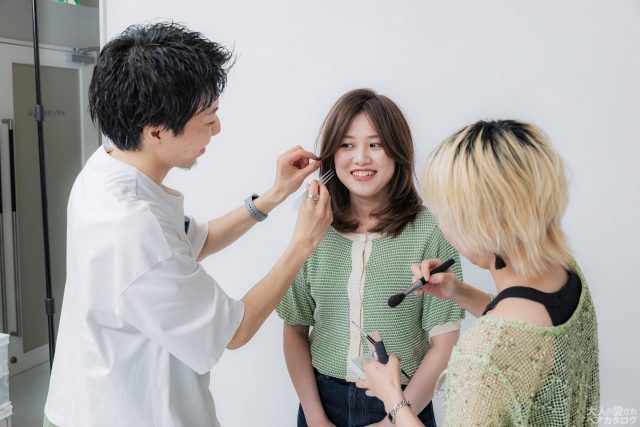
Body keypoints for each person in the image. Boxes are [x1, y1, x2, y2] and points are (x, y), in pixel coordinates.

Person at [43, 22, 333, 427]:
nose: (218, 128)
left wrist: (272, 196)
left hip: (83, 400)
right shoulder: (131, 227)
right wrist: (303, 244)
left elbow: (197, 239)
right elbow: (236, 331)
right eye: (208, 117)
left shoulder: (106, 166)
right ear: (156, 132)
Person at [357, 120, 600, 426]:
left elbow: (507, 343)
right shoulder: (566, 270)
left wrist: (392, 397)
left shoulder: (482, 354)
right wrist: (459, 292)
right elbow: (525, 340)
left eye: (446, 214)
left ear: (479, 224)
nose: (442, 226)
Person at [276, 89, 465, 427]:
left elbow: (445, 343)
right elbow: (295, 328)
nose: (361, 158)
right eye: (347, 145)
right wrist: (315, 417)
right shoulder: (312, 227)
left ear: (398, 151)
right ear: (331, 155)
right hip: (321, 401)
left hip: (405, 402)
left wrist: (394, 417)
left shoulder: (430, 230)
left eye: (375, 144)